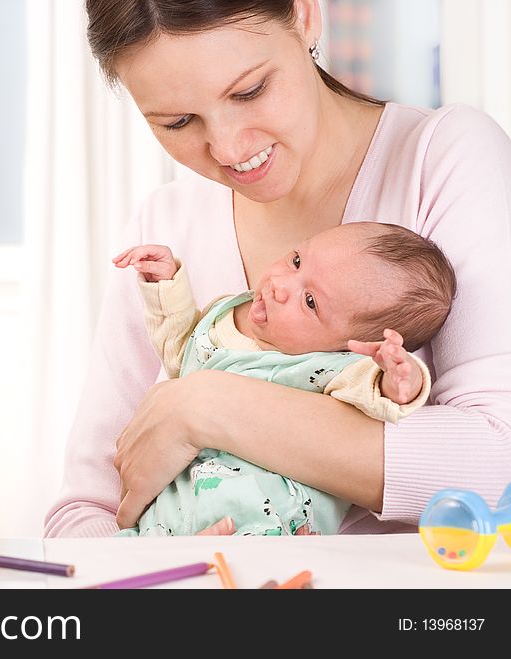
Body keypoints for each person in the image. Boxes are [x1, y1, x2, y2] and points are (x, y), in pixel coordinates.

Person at [45, 0, 511, 538]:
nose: (228, 147)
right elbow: (81, 512)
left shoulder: (441, 158)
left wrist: (204, 405)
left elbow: (497, 463)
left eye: (249, 91)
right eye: (177, 121)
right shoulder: (166, 227)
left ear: (305, 16)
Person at [113, 222, 454, 536]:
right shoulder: (226, 313)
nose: (279, 285)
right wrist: (166, 286)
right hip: (169, 514)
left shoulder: (327, 366)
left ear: (352, 346)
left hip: (261, 521)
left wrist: (399, 381)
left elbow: (371, 394)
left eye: (310, 302)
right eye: (296, 261)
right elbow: (183, 350)